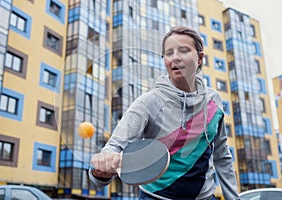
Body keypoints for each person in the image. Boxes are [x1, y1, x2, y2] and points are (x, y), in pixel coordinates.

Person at [89, 26, 240, 200]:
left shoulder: (214, 101)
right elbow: (114, 147)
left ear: (200, 58)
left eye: (183, 50)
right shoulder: (148, 102)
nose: (175, 57)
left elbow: (222, 156)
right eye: (169, 53)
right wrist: (102, 168)